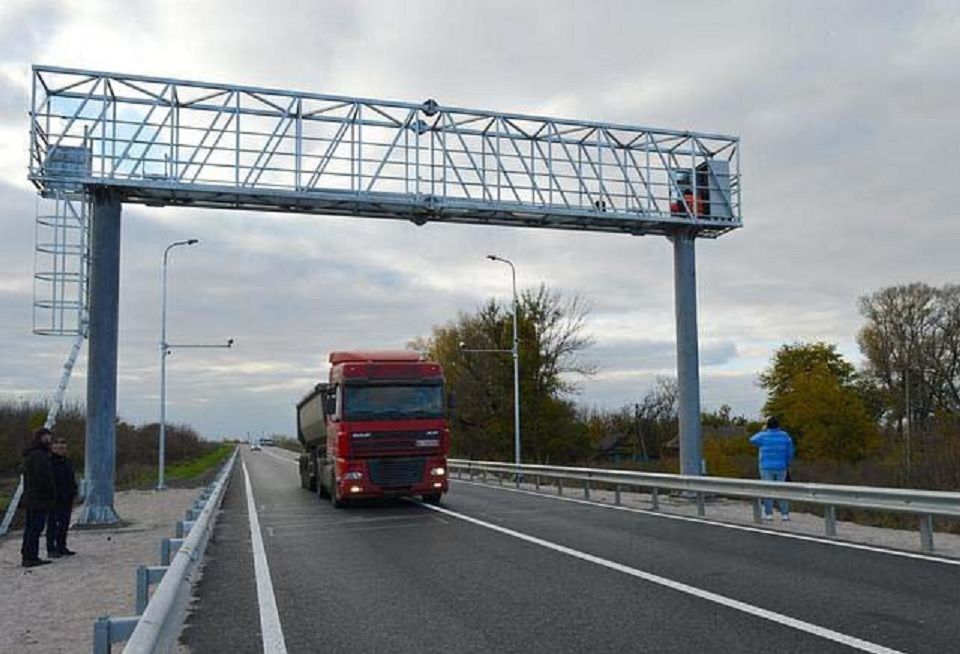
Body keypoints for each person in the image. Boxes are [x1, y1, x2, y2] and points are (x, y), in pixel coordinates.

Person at [20, 427, 56, 567]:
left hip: (32, 497)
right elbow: (43, 477)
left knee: (31, 527)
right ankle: (30, 557)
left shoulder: (32, 454)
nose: (50, 440)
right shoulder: (39, 455)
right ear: (41, 437)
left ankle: (27, 554)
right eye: (47, 437)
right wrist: (50, 492)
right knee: (35, 527)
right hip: (38, 498)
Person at [749, 417, 795, 521]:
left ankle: (769, 513)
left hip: (766, 466)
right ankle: (785, 514)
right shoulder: (785, 436)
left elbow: (752, 439)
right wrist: (787, 463)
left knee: (767, 490)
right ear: (778, 425)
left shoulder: (763, 435)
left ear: (768, 426)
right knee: (781, 490)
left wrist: (762, 430)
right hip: (781, 466)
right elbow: (790, 451)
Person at [47, 436, 78, 558]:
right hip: (55, 497)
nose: (62, 450)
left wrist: (74, 491)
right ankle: (51, 548)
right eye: (59, 448)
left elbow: (71, 477)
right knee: (53, 523)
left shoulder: (67, 461)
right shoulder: (50, 462)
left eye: (64, 448)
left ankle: (62, 546)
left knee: (64, 523)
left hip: (67, 496)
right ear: (53, 448)